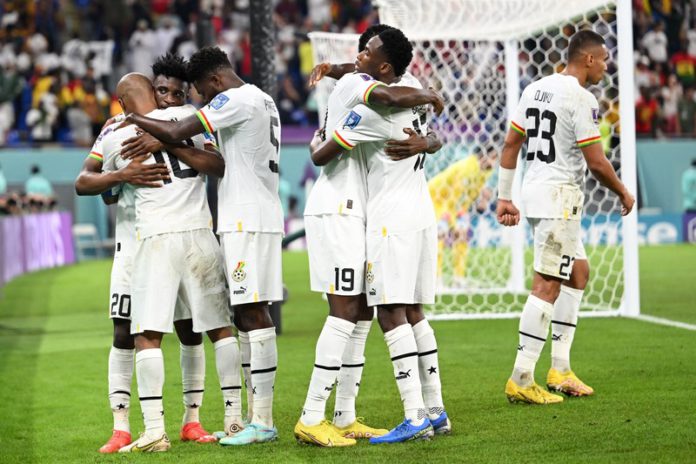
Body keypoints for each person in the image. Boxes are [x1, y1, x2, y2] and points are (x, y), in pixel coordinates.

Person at [119, 46, 284, 446]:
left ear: (213, 81)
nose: (195, 100)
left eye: (194, 92)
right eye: (167, 92)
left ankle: (256, 420)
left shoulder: (228, 101)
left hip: (236, 219)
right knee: (236, 320)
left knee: (245, 315)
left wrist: (134, 120)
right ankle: (242, 419)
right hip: (240, 219)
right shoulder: (263, 98)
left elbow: (176, 135)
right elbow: (214, 158)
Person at [294, 25, 445, 447]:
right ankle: (317, 415)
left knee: (370, 311)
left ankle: (350, 415)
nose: (358, 56)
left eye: (366, 52)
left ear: (384, 67)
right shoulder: (395, 87)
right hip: (347, 210)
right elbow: (323, 155)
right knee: (355, 311)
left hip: (377, 215)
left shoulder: (373, 104)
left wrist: (319, 137)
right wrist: (430, 130)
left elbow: (320, 152)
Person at [75, 54, 233, 453]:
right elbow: (88, 182)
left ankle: (189, 421)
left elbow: (87, 183)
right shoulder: (116, 127)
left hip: (161, 237)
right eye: (161, 90)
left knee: (187, 330)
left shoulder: (186, 121)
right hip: (133, 240)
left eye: (177, 92)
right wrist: (121, 177)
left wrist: (163, 140)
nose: (168, 98)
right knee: (123, 331)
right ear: (149, 88)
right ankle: (121, 426)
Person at [496, 30, 635, 404]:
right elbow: (596, 161)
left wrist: (504, 196)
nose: (606, 65)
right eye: (604, 58)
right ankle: (522, 377)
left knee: (579, 272)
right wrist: (623, 191)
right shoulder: (582, 97)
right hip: (559, 196)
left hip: (537, 190)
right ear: (587, 59)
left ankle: (560, 369)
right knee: (547, 284)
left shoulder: (534, 88)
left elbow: (511, 144)